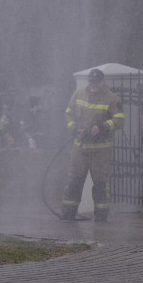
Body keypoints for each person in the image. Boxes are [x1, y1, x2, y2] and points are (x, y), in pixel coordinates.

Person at [60, 67, 125, 222]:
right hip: (80, 148)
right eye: (91, 82)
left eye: (96, 82)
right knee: (74, 182)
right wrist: (74, 128)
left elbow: (120, 120)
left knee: (101, 185)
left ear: (103, 82)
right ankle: (68, 214)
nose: (93, 85)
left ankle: (101, 217)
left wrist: (101, 127)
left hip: (100, 151)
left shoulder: (112, 98)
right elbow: (68, 113)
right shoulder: (79, 94)